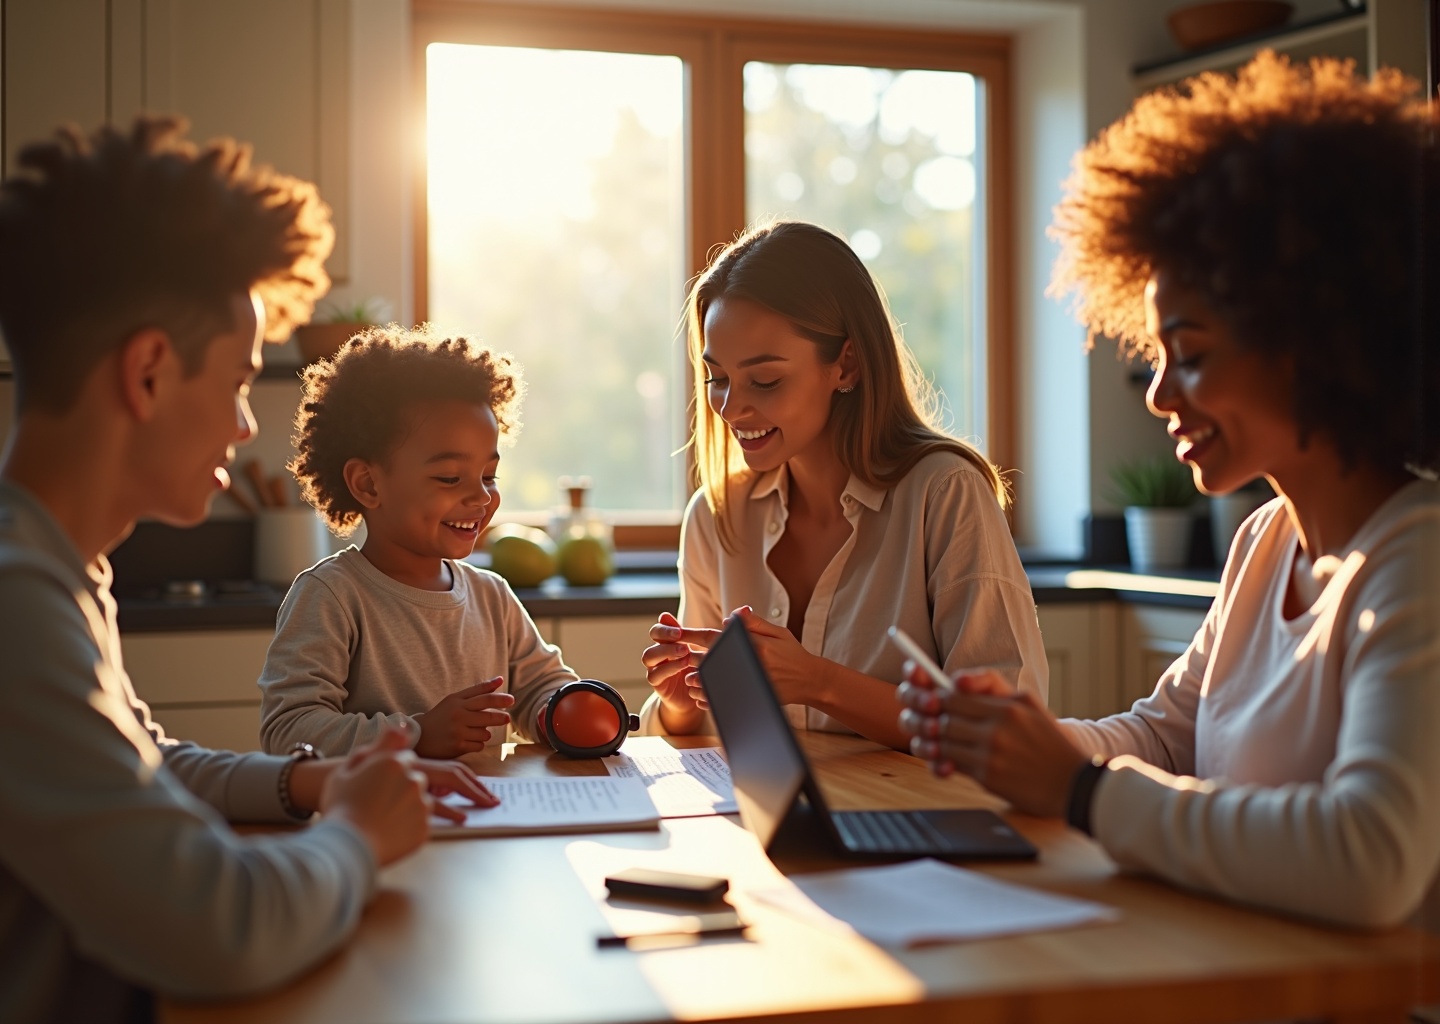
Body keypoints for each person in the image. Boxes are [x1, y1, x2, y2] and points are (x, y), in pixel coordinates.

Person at [898, 52, 1440, 930]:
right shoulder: (1267, 540)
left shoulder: (1418, 561)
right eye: (1156, 358)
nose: (1159, 395)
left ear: (1314, 339)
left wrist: (1076, 789)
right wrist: (1023, 745)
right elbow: (1165, 736)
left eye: (1189, 354)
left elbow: (1369, 857)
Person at [0, 116, 499, 1024]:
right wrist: (355, 835)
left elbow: (149, 765)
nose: (242, 425)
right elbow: (219, 926)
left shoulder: (57, 569)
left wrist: (317, 784)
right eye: (236, 380)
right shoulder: (14, 604)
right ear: (148, 374)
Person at [640, 220, 1048, 749]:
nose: (730, 407)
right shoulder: (717, 515)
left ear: (847, 364)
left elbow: (1004, 726)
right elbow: (703, 724)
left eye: (765, 380)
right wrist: (678, 704)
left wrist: (817, 682)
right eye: (717, 377)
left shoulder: (944, 492)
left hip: (923, 820)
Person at [258, 325, 578, 758]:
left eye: (488, 476)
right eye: (450, 478)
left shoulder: (491, 596)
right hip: (378, 821)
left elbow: (543, 687)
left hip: (485, 818)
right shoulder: (331, 597)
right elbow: (288, 731)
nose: (481, 496)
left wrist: (567, 710)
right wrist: (417, 734)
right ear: (368, 484)